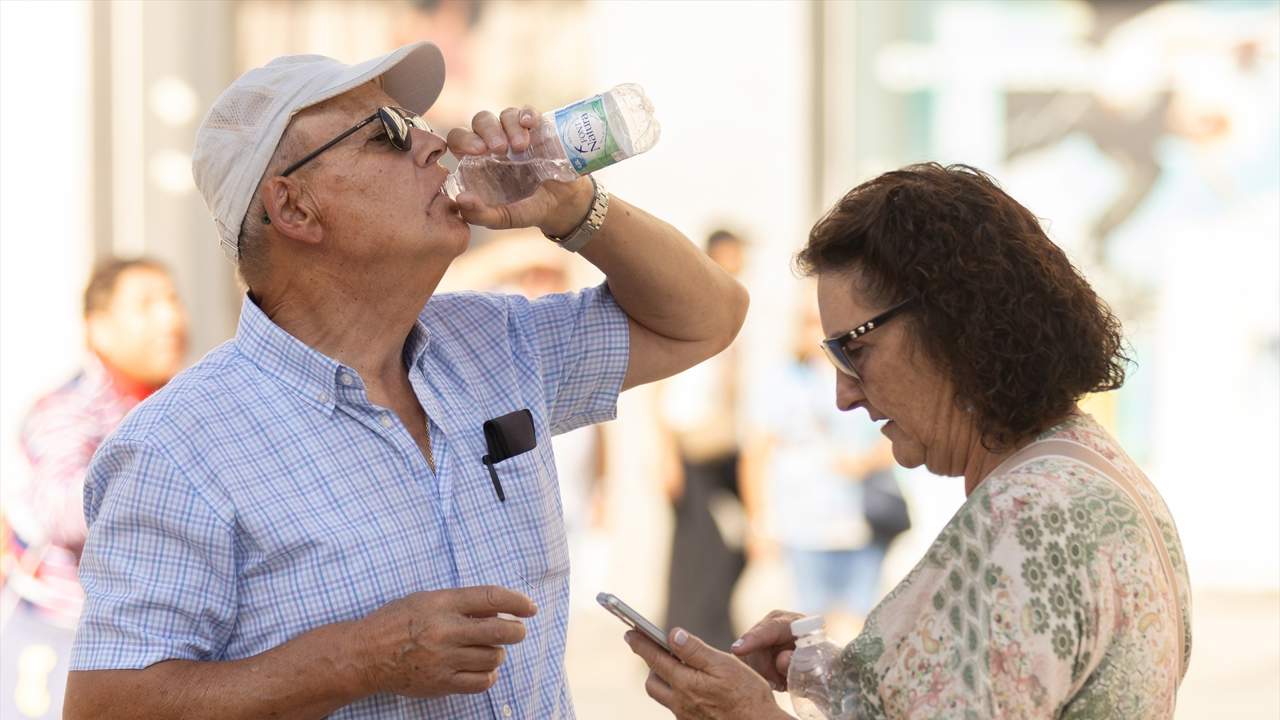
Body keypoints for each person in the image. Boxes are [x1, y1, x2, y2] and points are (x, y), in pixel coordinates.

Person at [63, 42, 747, 719]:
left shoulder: (492, 342)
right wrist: (356, 660)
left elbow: (708, 317)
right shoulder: (178, 449)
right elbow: (104, 708)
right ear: (294, 208)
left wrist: (572, 208)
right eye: (388, 134)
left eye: (418, 125)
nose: (434, 144)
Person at [624, 163, 1191, 719]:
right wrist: (836, 675)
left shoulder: (1031, 514)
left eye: (854, 350)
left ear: (952, 325)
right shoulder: (1086, 466)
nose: (843, 393)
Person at [1, 258, 188, 720]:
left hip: (156, 647)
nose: (171, 318)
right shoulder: (68, 408)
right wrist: (162, 488)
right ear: (99, 329)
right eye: (146, 305)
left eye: (172, 300)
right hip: (66, 641)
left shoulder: (183, 401)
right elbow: (62, 506)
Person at [741, 289, 896, 627]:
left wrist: (862, 463)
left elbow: (894, 439)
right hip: (803, 523)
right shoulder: (782, 379)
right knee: (808, 628)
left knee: (858, 626)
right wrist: (758, 523)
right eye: (812, 322)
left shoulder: (868, 376)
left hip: (861, 521)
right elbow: (757, 453)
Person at [656, 229, 749, 651]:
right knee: (697, 550)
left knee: (728, 549)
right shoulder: (690, 309)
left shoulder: (731, 314)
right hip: (691, 447)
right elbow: (663, 391)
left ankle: (713, 630)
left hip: (723, 447)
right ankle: (687, 635)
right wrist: (667, 456)